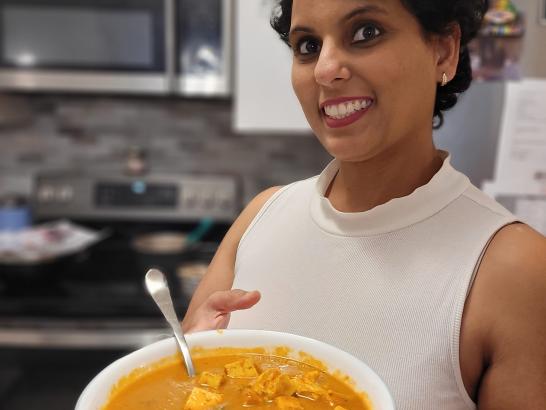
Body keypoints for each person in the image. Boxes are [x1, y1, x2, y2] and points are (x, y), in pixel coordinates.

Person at [182, 0, 546, 408]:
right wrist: (188, 369)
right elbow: (177, 387)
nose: (325, 68)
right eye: (308, 46)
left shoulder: (516, 268)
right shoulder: (260, 216)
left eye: (366, 32)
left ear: (443, 49)